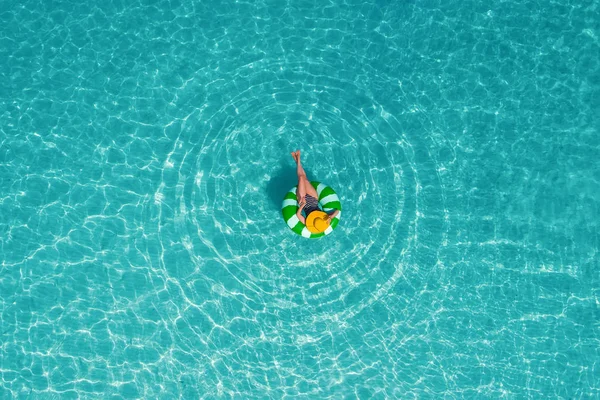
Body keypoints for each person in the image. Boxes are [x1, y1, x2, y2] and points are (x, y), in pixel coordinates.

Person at [291, 150, 339, 231]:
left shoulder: (307, 223)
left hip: (303, 201)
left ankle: (298, 160)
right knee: (305, 179)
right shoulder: (324, 219)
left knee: (301, 178)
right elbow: (337, 210)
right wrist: (331, 216)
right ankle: (297, 161)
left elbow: (298, 214)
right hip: (314, 198)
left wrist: (302, 205)